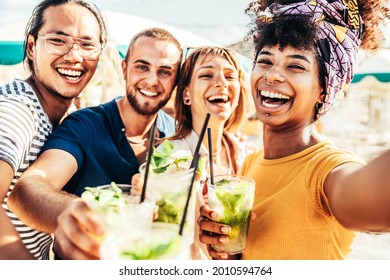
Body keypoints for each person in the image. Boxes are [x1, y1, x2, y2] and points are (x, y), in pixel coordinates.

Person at [198, 0, 390, 260]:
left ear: (324, 88)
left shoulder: (327, 168)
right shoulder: (250, 165)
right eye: (265, 61)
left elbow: (363, 202)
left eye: (296, 66)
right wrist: (225, 248)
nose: (273, 75)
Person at [7, 27, 182, 260]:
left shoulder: (175, 134)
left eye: (165, 72)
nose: (151, 80)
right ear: (124, 69)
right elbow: (28, 187)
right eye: (142, 67)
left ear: (176, 80)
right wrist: (71, 213)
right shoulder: (85, 125)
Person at [0, 0, 107, 260]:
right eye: (59, 40)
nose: (74, 56)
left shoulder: (64, 116)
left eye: (87, 44)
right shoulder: (17, 110)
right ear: (32, 47)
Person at [165, 46, 249, 259]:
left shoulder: (241, 150)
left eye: (230, 76)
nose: (221, 82)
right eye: (206, 74)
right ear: (186, 94)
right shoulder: (173, 158)